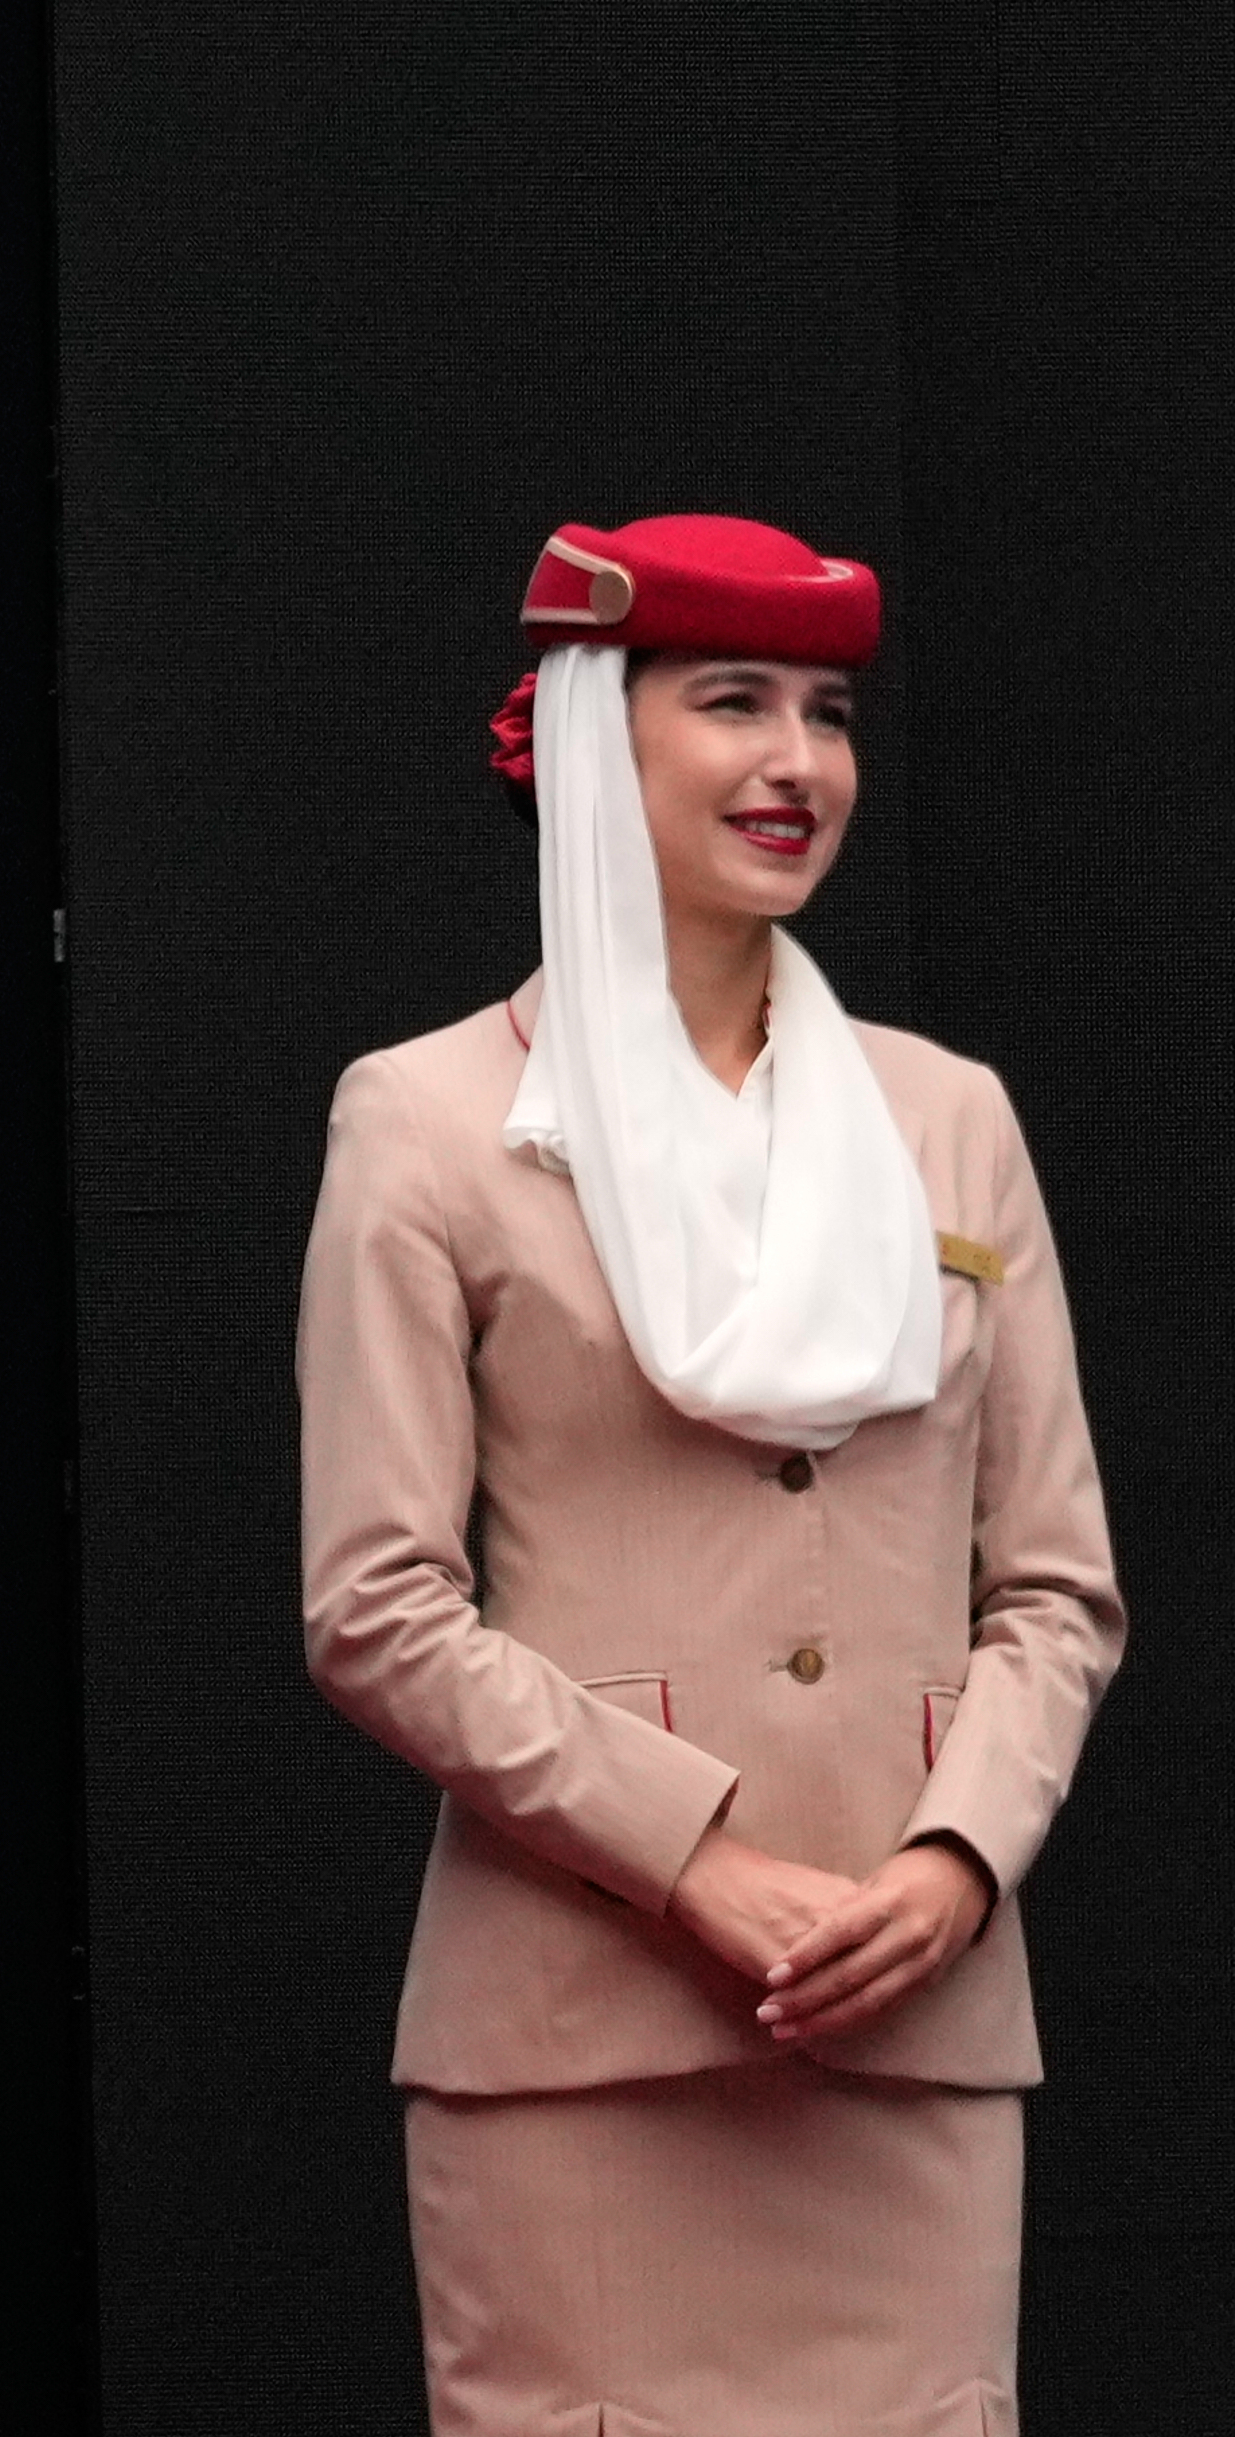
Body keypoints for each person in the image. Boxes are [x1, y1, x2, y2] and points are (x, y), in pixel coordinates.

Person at [299, 515, 1123, 2436]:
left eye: (828, 712)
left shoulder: (952, 1119)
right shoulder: (423, 1123)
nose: (799, 761)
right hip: (579, 2045)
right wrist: (702, 1860)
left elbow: (1060, 1585)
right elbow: (375, 1606)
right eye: (732, 700)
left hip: (911, 2029)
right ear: (597, 730)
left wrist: (956, 1856)